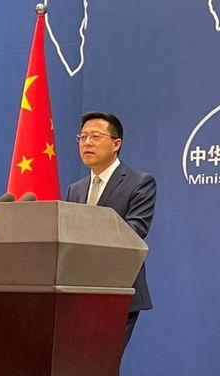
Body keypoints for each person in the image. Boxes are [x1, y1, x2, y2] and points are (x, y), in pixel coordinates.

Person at [65, 111, 156, 354]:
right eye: (83, 137)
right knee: (75, 362)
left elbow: (135, 229)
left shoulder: (139, 182)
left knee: (102, 362)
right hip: (77, 292)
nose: (87, 143)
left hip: (118, 290)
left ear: (116, 144)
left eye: (95, 136)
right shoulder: (75, 189)